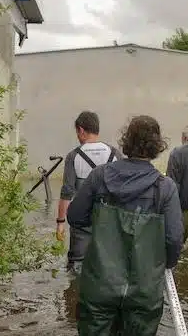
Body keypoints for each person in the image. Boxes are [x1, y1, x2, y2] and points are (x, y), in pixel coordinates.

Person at [67, 115, 184, 336]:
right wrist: (160, 266)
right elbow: (173, 240)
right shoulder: (165, 188)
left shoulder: (99, 176)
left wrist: (103, 229)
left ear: (126, 141)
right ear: (157, 146)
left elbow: (75, 217)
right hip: (143, 290)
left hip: (100, 285)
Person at [57, 111, 123, 273]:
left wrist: (60, 223)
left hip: (82, 224)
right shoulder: (115, 154)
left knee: (75, 268)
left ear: (81, 130)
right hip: (109, 223)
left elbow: (67, 192)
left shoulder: (73, 156)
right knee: (108, 267)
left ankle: (74, 295)